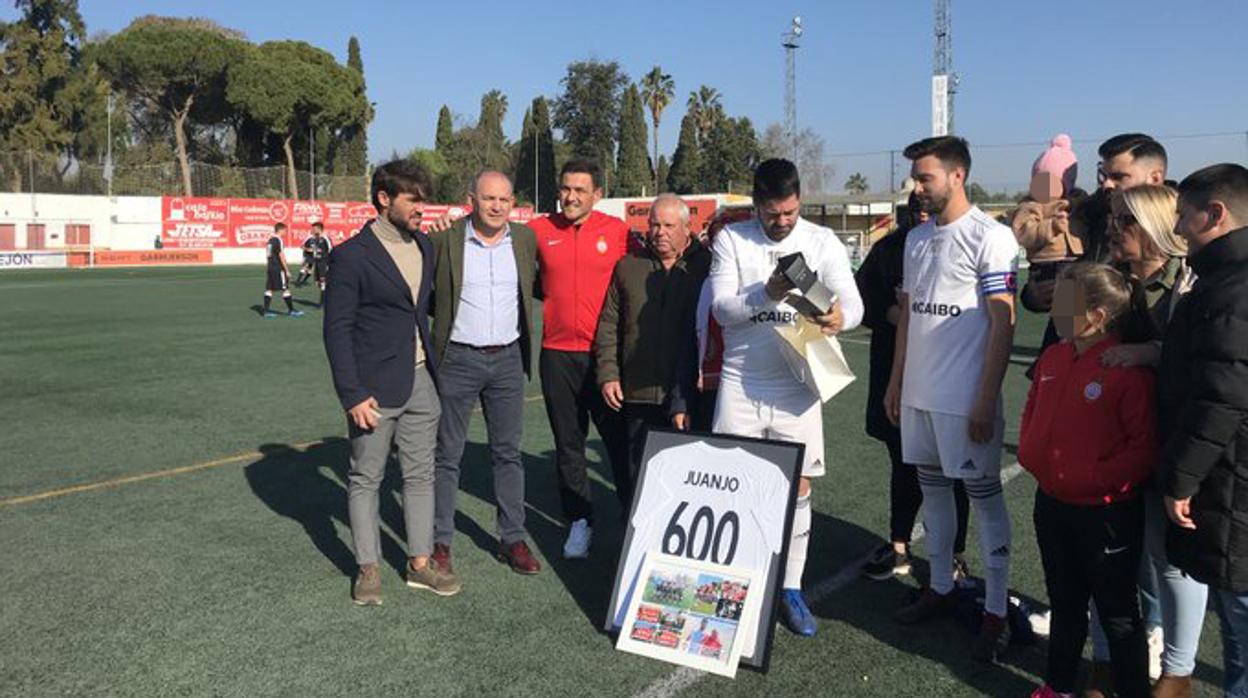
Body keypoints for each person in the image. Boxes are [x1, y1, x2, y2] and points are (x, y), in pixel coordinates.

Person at [709, 158, 863, 637]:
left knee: (798, 484)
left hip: (798, 383)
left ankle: (791, 588)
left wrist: (841, 319)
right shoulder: (732, 239)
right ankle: (737, 580)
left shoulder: (820, 240)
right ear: (757, 205)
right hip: (741, 381)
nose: (783, 221)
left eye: (790, 212)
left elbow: (853, 304)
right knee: (733, 480)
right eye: (774, 213)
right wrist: (766, 292)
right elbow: (722, 310)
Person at [885, 136, 1018, 662]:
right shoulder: (916, 240)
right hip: (919, 394)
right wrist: (897, 382)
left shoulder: (992, 237)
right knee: (933, 492)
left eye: (925, 178)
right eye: (915, 179)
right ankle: (940, 586)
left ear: (956, 176)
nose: (916, 188)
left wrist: (986, 399)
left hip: (964, 399)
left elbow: (1002, 323)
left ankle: (994, 611)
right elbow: (909, 318)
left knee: (984, 499)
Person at [323, 160, 458, 605]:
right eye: (413, 199)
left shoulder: (425, 246)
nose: (422, 207)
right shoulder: (349, 256)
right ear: (384, 199)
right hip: (373, 391)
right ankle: (367, 569)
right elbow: (337, 330)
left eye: (425, 198)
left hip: (422, 383)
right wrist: (352, 394)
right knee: (366, 478)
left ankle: (420, 564)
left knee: (420, 476)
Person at [1022, 262, 1155, 698]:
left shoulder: (1125, 370)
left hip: (1105, 513)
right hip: (1053, 504)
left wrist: (1095, 478)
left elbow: (1142, 447)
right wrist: (1031, 454)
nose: (1056, 311)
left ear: (1097, 316)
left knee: (1118, 615)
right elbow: (1032, 407)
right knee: (1065, 604)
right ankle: (1058, 685)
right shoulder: (1054, 356)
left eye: (1066, 303)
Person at [1101, 184, 1203, 698]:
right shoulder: (1102, 276)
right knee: (1118, 553)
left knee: (1171, 557)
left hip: (1166, 440)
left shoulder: (1192, 282)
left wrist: (1149, 352)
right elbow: (1061, 331)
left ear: (1159, 228)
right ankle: (1108, 661)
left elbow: (1205, 358)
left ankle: (1178, 672)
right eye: (1114, 220)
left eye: (1126, 221)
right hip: (1110, 438)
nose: (1114, 231)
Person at [1159, 164, 1248, 698]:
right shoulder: (1222, 280)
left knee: (1239, 622)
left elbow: (1223, 394)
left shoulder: (1231, 289)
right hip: (1230, 473)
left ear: (1214, 214)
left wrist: (1181, 479)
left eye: (1183, 218)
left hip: (1232, 478)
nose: (1179, 232)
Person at [428, 170, 540, 577]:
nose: (496, 206)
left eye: (504, 200)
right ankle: (440, 542)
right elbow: (423, 293)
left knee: (508, 453)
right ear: (470, 198)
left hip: (508, 359)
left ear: (513, 203)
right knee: (447, 455)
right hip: (458, 359)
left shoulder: (525, 241)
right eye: (489, 198)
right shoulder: (445, 238)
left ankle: (512, 538)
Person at [857, 191, 971, 582]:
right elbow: (862, 296)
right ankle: (899, 544)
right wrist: (891, 313)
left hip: (947, 371)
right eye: (915, 210)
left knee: (952, 466)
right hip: (894, 366)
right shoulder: (887, 249)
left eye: (928, 209)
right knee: (902, 459)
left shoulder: (965, 242)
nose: (922, 217)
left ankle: (955, 551)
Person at [530, 158, 631, 559]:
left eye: (580, 190)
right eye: (566, 188)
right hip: (556, 356)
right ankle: (579, 521)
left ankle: (633, 519)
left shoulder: (619, 233)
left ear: (598, 195)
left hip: (605, 359)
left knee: (619, 444)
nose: (570, 197)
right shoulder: (538, 230)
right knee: (568, 445)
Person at [595, 193, 710, 508]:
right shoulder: (628, 267)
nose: (660, 232)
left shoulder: (707, 268)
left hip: (690, 395)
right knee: (639, 477)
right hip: (638, 393)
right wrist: (608, 374)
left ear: (687, 228)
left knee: (689, 477)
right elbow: (608, 325)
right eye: (654, 224)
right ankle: (634, 544)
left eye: (669, 225)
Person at [262, 222, 303, 318]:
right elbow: (281, 255)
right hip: (278, 268)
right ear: (280, 230)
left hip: (271, 267)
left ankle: (266, 311)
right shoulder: (278, 240)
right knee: (285, 288)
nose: (286, 232)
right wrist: (287, 270)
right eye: (285, 230)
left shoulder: (270, 240)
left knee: (269, 289)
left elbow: (268, 255)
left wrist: (269, 266)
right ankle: (291, 310)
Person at [298, 222, 332, 305]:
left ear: (319, 229)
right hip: (317, 262)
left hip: (324, 263)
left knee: (323, 281)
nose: (312, 230)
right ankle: (326, 297)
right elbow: (314, 250)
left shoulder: (325, 238)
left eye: (313, 228)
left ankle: (322, 303)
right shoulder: (315, 239)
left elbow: (330, 249)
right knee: (318, 283)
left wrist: (329, 262)